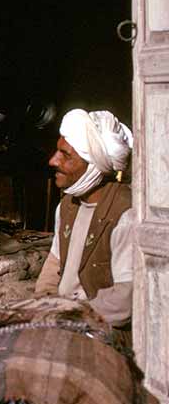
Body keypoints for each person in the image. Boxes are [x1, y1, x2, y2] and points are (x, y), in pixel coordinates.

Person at [34, 109, 135, 329]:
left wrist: (71, 315)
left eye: (65, 155)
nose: (53, 160)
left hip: (102, 330)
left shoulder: (125, 215)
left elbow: (125, 299)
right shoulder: (66, 206)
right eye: (56, 151)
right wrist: (43, 304)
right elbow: (54, 264)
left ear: (92, 166)